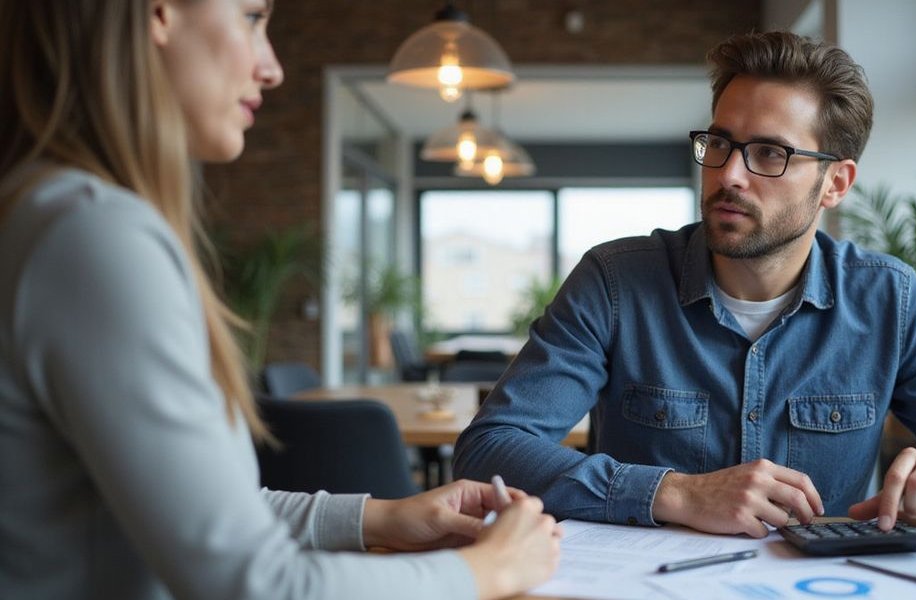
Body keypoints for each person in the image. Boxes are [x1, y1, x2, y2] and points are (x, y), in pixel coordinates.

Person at [0, 2, 558, 599]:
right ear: (158, 13)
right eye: (251, 17)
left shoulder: (52, 212)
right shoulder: (95, 237)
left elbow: (214, 518)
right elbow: (258, 585)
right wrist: (487, 570)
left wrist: (384, 517)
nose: (272, 68)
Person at [454, 31, 916, 537]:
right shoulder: (616, 282)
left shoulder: (889, 301)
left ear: (835, 183)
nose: (730, 174)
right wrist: (676, 493)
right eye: (720, 143)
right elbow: (491, 447)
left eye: (770, 153)